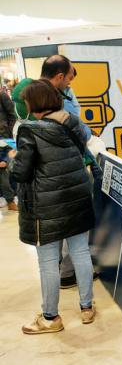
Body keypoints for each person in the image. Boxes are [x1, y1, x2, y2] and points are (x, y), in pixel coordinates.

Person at [9, 80, 97, 334]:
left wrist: (14, 159)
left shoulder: (30, 130)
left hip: (45, 206)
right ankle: (86, 307)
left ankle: (50, 317)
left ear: (32, 103)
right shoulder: (72, 122)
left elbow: (22, 173)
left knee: (48, 262)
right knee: (80, 253)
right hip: (77, 196)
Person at [0, 85, 17, 210]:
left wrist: (9, 131)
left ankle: (11, 199)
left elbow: (12, 114)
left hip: (4, 137)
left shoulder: (2, 95)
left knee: (4, 165)